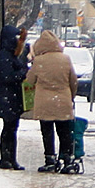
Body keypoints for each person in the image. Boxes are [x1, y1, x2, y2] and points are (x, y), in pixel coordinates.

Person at [26, 30, 79, 174]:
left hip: (44, 102)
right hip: (63, 100)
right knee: (64, 132)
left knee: (47, 132)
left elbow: (30, 81)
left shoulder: (39, 61)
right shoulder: (65, 59)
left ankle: (50, 160)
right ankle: (67, 160)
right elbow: (73, 81)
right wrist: (71, 97)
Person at [0, 25, 29, 170]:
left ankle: (10, 159)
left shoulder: (10, 54)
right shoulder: (4, 55)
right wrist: (22, 74)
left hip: (10, 97)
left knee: (11, 128)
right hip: (7, 97)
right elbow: (7, 77)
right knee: (9, 129)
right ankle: (6, 159)